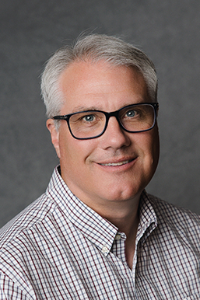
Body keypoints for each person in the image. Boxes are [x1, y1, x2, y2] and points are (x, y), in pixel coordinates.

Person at [0, 34, 199, 300]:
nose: (116, 139)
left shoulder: (194, 236)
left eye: (132, 113)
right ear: (56, 136)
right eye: (89, 118)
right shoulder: (12, 274)